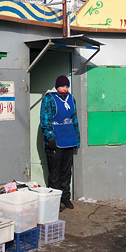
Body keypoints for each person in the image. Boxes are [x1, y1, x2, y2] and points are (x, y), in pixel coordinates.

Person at [39, 75, 80, 209]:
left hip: (68, 140)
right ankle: (54, 201)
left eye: (67, 86)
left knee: (66, 172)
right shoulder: (49, 99)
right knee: (55, 173)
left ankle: (65, 198)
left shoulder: (71, 99)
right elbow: (45, 119)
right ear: (57, 86)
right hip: (55, 141)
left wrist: (77, 139)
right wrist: (50, 137)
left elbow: (74, 120)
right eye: (63, 86)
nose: (65, 88)